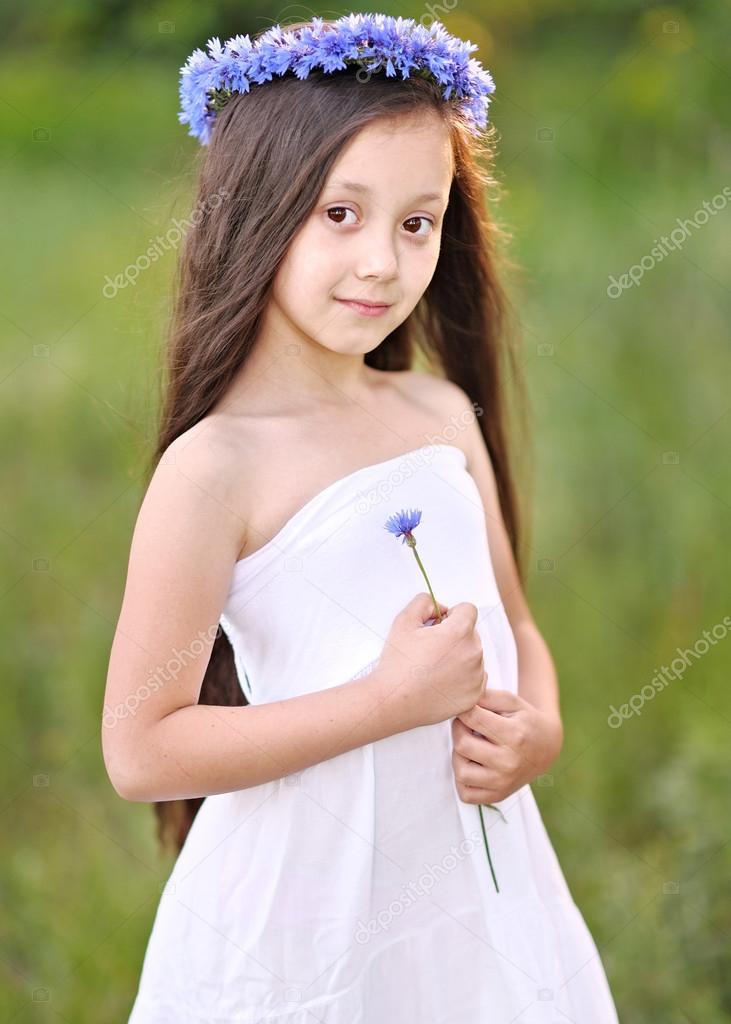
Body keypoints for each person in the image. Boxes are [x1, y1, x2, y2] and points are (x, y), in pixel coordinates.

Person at [102, 13, 620, 1022]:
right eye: (340, 214)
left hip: (478, 899)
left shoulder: (434, 415)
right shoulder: (214, 467)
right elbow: (139, 746)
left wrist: (540, 731)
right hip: (307, 924)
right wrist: (386, 701)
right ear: (257, 209)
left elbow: (513, 627)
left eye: (415, 221)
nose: (382, 261)